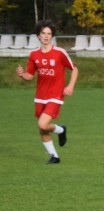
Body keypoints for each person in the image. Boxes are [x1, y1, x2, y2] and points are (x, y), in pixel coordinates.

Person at [16, 20, 77, 164]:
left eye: (49, 34)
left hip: (55, 95)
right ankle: (54, 156)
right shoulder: (34, 55)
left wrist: (70, 86)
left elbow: (74, 68)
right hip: (40, 96)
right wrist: (21, 74)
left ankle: (60, 130)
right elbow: (29, 76)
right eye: (43, 33)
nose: (46, 36)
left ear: (52, 36)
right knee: (42, 129)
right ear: (38, 35)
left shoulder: (59, 53)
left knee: (42, 124)